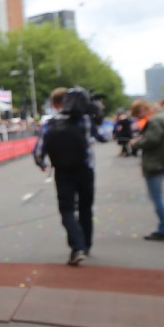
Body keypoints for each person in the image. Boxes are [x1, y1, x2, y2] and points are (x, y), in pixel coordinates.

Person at [35, 87, 104, 266]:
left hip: (63, 171)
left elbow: (39, 150)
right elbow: (102, 136)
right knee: (85, 208)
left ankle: (77, 246)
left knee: (67, 210)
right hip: (86, 169)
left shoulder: (50, 123)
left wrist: (42, 163)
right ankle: (86, 245)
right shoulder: (86, 120)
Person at [128, 99, 164, 241]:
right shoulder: (162, 117)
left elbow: (152, 140)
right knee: (157, 196)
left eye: (138, 115)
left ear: (142, 110)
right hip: (163, 160)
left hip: (157, 162)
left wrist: (136, 143)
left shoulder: (155, 120)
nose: (139, 118)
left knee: (156, 197)